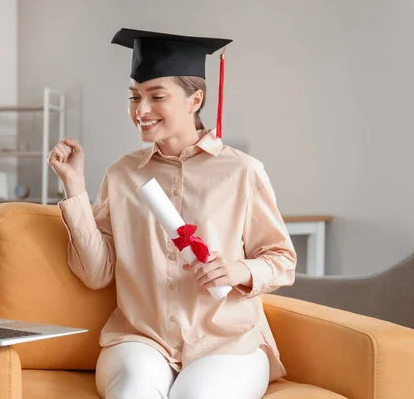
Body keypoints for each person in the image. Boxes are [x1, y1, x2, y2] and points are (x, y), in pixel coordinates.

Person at [48, 28, 297, 399]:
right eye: (134, 97)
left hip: (227, 341)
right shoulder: (121, 174)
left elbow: (282, 260)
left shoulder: (242, 171)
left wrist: (240, 269)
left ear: (195, 99)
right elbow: (96, 274)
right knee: (132, 392)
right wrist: (75, 187)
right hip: (141, 339)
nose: (141, 110)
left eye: (156, 96)